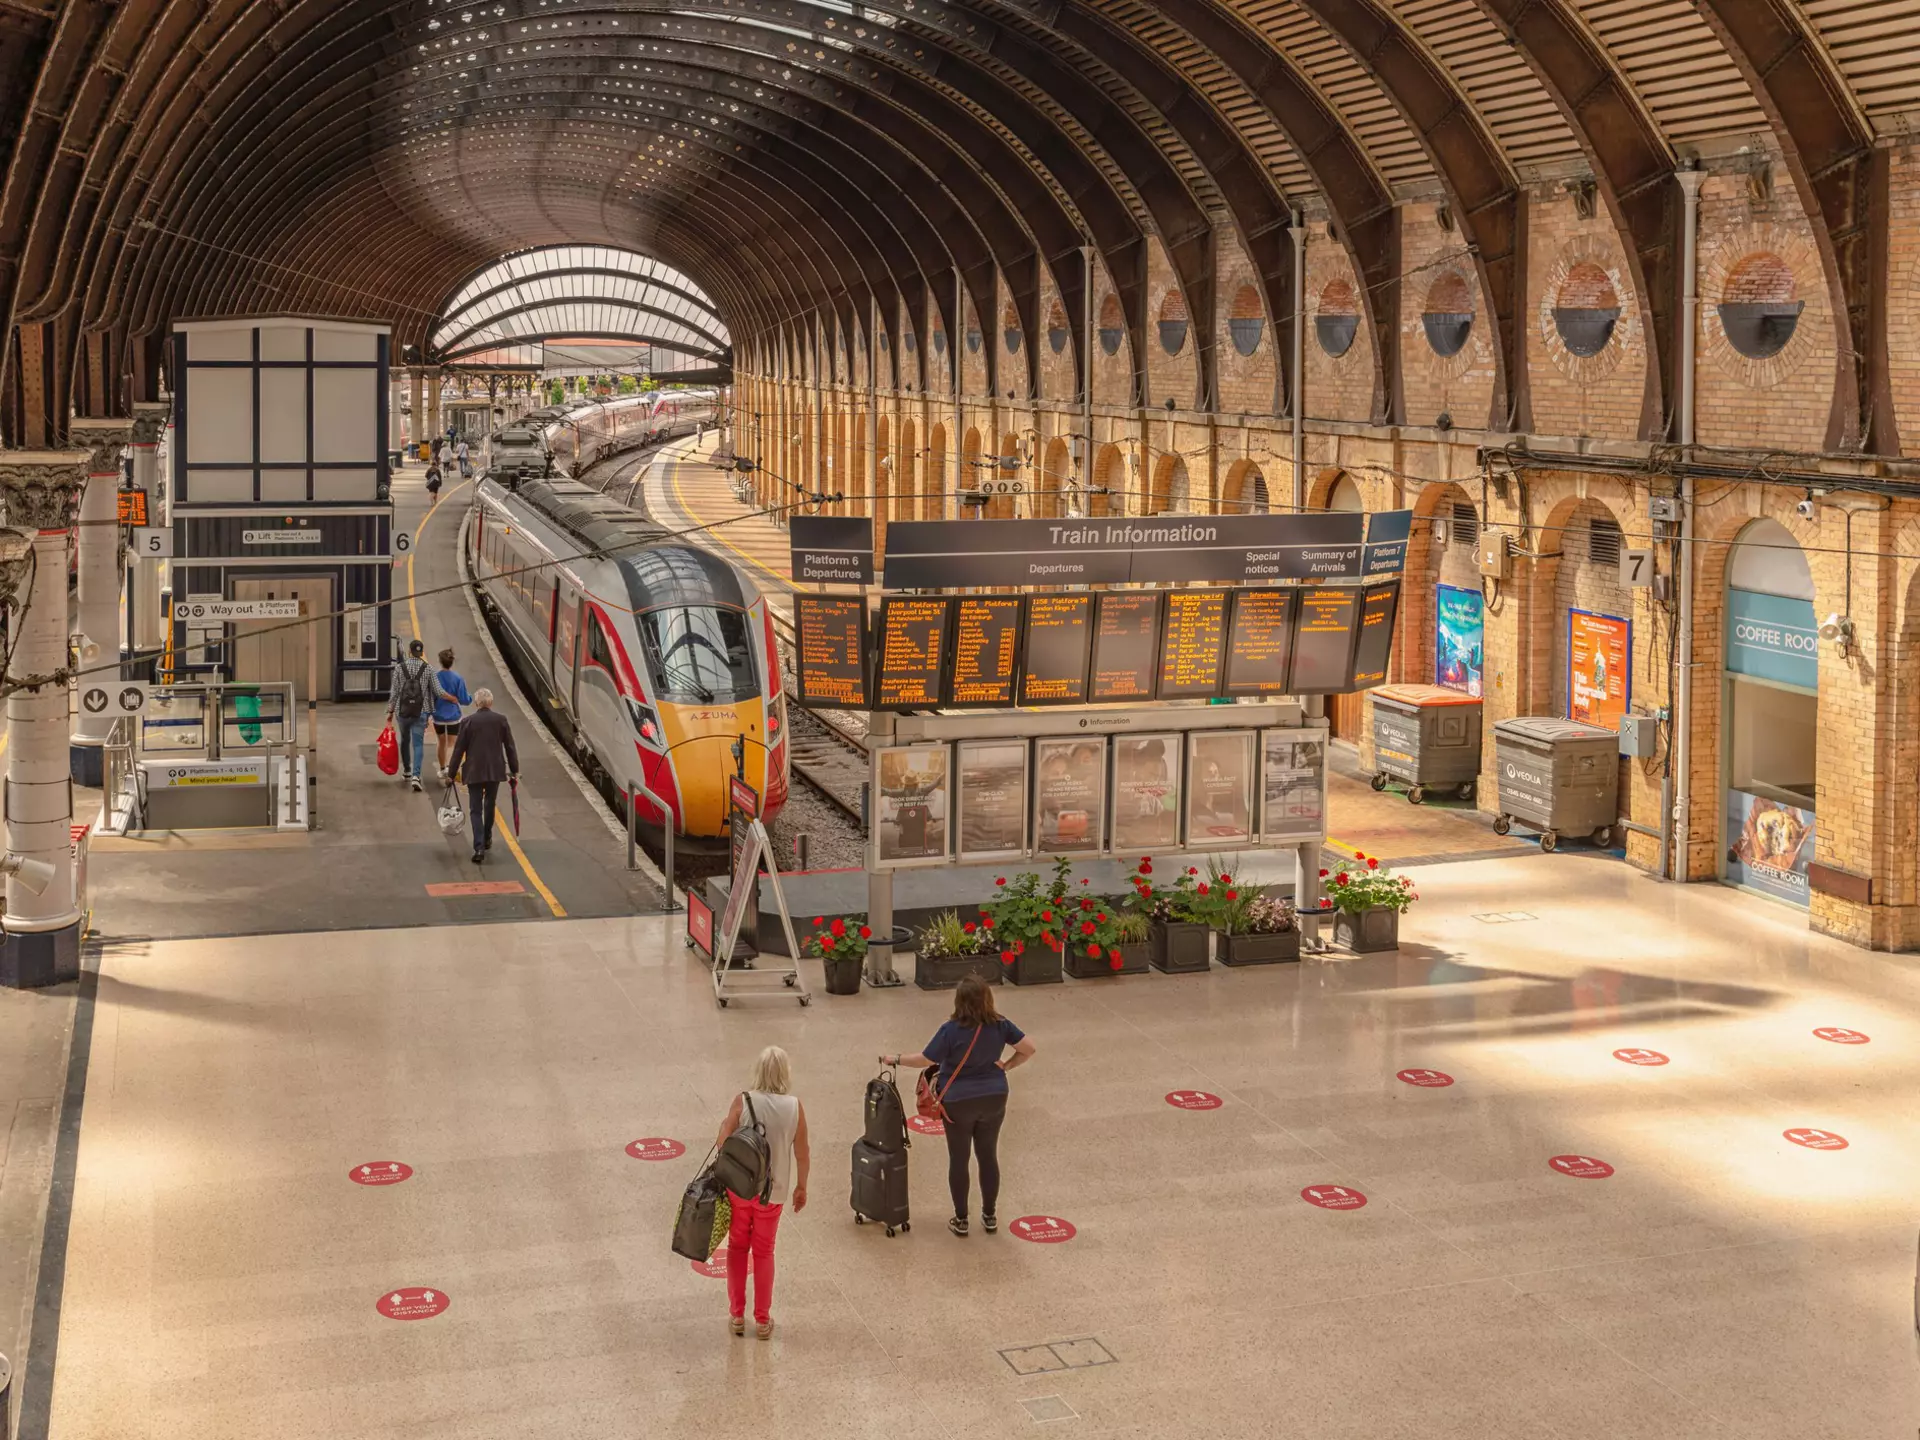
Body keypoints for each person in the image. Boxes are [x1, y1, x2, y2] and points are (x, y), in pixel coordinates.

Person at [881, 975, 1036, 1237]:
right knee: (988, 1156)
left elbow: (925, 1059)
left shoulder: (950, 1030)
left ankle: (961, 1219)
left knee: (959, 1158)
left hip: (957, 1101)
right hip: (995, 1096)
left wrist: (894, 1058)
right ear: (988, 998)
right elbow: (1029, 1048)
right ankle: (989, 1216)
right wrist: (1006, 1066)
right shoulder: (1000, 1025)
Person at [713, 1046, 809, 1340]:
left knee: (738, 1248)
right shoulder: (795, 1106)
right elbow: (802, 1152)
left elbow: (722, 1143)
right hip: (774, 1193)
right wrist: (801, 1186)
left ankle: (737, 1315)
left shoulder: (743, 1101)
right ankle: (763, 1319)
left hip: (740, 1189)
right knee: (765, 1251)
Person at [446, 687, 518, 863]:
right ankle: (487, 838)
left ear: (477, 703)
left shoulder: (468, 722)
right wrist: (514, 770)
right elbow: (510, 746)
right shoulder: (501, 720)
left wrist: (451, 773)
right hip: (495, 770)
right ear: (490, 702)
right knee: (490, 804)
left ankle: (478, 848)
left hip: (474, 770)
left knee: (475, 810)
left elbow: (458, 750)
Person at [386, 639, 447, 791]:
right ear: (421, 653)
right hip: (421, 712)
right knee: (418, 744)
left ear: (409, 651)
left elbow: (394, 692)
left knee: (405, 740)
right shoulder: (428, 669)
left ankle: (407, 771)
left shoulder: (400, 668)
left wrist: (390, 711)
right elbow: (438, 691)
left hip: (403, 712)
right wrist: (453, 698)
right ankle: (416, 776)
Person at [431, 647, 472, 776]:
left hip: (438, 716)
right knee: (451, 743)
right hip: (453, 717)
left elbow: (430, 697)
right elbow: (465, 700)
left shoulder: (434, 677)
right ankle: (450, 767)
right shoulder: (458, 678)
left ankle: (442, 769)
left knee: (441, 742)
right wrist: (469, 698)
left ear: (440, 661)